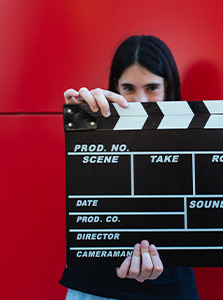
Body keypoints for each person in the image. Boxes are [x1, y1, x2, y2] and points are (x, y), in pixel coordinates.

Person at [60, 35, 200, 300]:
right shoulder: (97, 130)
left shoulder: (194, 143)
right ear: (115, 86)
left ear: (169, 88)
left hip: (170, 287)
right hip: (94, 288)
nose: (139, 101)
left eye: (152, 88)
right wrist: (83, 124)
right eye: (128, 88)